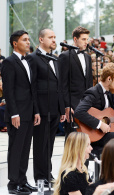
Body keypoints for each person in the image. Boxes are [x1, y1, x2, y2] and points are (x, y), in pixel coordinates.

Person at [2, 30, 41, 194]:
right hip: (17, 114)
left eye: (28, 39)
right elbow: (8, 91)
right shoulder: (9, 62)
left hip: (30, 112)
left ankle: (23, 181)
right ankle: (13, 183)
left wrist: (36, 111)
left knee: (25, 149)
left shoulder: (28, 61)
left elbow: (32, 90)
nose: (28, 42)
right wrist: (13, 114)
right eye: (24, 40)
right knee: (16, 149)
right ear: (15, 43)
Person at [26, 29, 66, 186]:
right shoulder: (32, 58)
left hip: (54, 110)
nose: (54, 40)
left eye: (55, 37)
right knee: (40, 145)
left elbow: (59, 86)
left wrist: (62, 109)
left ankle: (47, 174)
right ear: (41, 39)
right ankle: (40, 178)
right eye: (50, 37)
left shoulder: (55, 59)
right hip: (41, 110)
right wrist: (35, 110)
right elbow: (32, 87)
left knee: (49, 144)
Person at [74, 63, 114, 152]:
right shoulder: (93, 92)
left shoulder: (109, 94)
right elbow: (79, 112)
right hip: (94, 135)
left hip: (105, 134)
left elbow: (111, 120)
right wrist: (100, 124)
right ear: (109, 79)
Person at [58, 26, 93, 139]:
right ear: (75, 39)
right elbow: (62, 84)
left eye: (87, 39)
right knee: (72, 138)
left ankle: (85, 157)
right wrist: (66, 105)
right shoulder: (64, 56)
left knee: (86, 137)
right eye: (83, 39)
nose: (86, 42)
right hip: (72, 104)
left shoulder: (88, 58)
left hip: (86, 104)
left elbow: (89, 83)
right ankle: (70, 157)